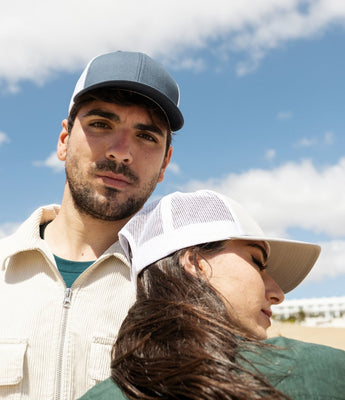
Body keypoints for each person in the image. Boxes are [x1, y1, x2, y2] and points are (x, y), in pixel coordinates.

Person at [0, 51, 184, 399]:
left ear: (164, 165)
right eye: (101, 124)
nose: (120, 152)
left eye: (146, 136)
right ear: (64, 140)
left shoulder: (180, 295)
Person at [79, 190, 345, 400]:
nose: (277, 294)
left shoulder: (102, 395)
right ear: (195, 263)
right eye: (256, 261)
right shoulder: (323, 372)